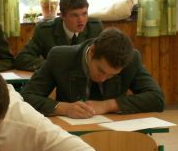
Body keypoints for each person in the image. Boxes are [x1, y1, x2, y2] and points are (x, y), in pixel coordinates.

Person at [22, 28, 165, 117]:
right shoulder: (60, 57)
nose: (103, 78)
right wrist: (65, 108)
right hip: (70, 136)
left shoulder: (132, 60)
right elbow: (26, 97)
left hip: (114, 134)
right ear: (92, 52)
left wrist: (108, 105)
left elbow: (157, 98)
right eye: (101, 70)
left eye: (112, 75)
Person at [14, 0, 104, 71]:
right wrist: (55, 65)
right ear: (63, 16)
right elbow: (22, 59)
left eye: (84, 14)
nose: (81, 20)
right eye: (75, 15)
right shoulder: (45, 31)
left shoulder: (94, 28)